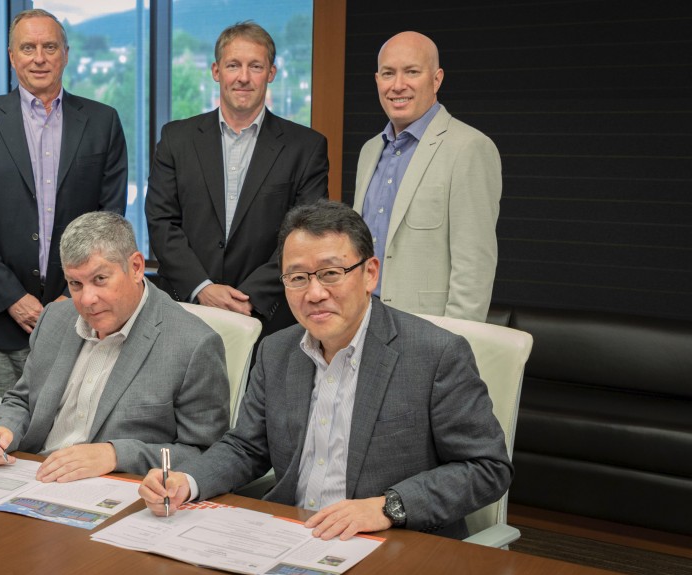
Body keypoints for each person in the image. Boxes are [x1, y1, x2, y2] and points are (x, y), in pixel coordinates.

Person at [138, 200, 512, 540]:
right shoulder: (277, 350)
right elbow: (248, 446)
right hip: (290, 537)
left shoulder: (435, 354)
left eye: (331, 273)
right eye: (298, 277)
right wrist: (188, 481)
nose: (314, 293)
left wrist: (387, 507)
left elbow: (487, 467)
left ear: (369, 274)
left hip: (391, 542)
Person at [0, 211, 230, 483]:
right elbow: (23, 400)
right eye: (75, 284)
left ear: (136, 267)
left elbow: (207, 454)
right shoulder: (55, 318)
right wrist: (2, 429)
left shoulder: (193, 344)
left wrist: (115, 455)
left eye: (100, 279)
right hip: (31, 475)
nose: (87, 300)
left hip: (117, 490)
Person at [0, 9, 127, 404]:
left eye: (49, 47)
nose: (39, 57)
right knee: (4, 438)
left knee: (73, 432)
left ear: (65, 54)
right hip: (0, 318)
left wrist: (72, 295)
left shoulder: (103, 122)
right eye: (27, 48)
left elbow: (110, 218)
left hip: (83, 312)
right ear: (12, 57)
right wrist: (12, 298)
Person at [145, 21, 328, 337]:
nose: (244, 77)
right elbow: (161, 222)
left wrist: (250, 298)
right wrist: (202, 287)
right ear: (216, 71)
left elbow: (305, 236)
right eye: (234, 65)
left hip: (268, 322)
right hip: (184, 313)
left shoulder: (306, 148)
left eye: (255, 66)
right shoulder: (176, 139)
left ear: (270, 73)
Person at [349, 31, 501, 322]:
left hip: (427, 329)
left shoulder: (469, 148)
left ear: (437, 79)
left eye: (412, 72)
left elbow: (474, 266)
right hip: (362, 319)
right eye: (388, 73)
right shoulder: (370, 151)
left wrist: (457, 343)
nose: (398, 85)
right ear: (377, 80)